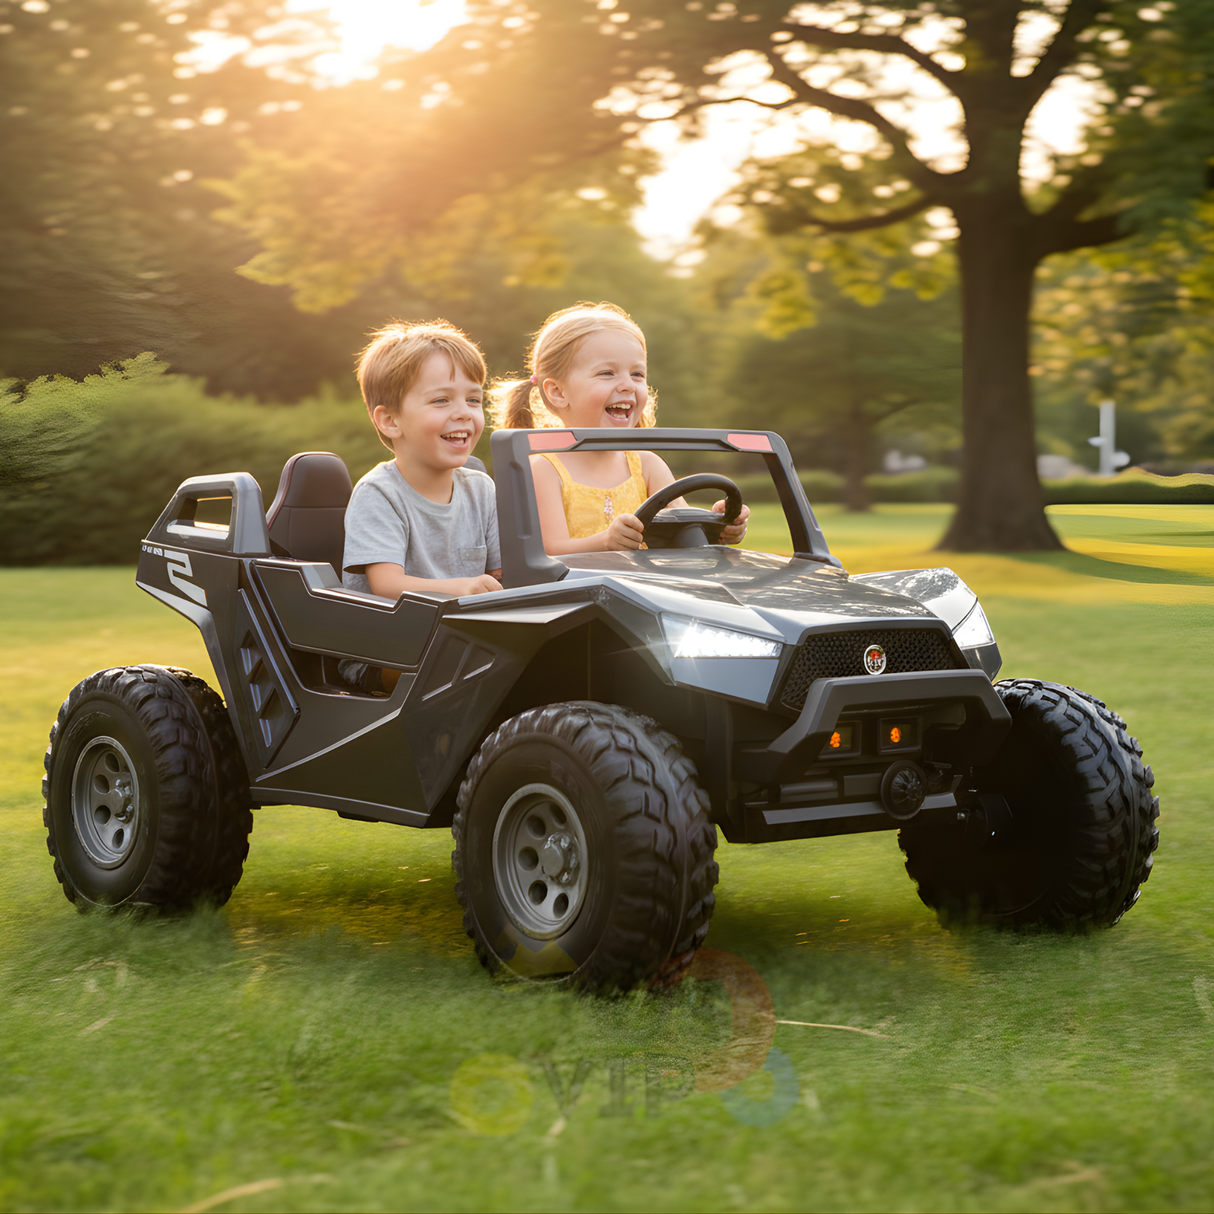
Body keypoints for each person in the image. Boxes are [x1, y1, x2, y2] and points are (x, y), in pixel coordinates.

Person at [491, 302, 749, 555]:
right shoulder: (545, 469)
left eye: (637, 374)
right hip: (582, 595)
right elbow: (550, 552)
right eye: (607, 373)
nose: (628, 385)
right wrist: (604, 542)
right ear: (558, 392)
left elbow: (686, 529)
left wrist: (719, 525)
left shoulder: (647, 466)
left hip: (650, 592)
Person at [342, 320, 500, 600]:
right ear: (390, 421)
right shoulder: (379, 494)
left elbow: (503, 573)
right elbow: (387, 584)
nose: (464, 412)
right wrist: (462, 588)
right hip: (397, 637)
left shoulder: (482, 490)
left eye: (474, 400)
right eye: (441, 400)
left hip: (469, 631)